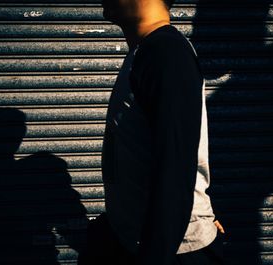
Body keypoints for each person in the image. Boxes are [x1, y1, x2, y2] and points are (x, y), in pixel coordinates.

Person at [79, 0, 225, 264]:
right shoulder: (147, 50)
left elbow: (176, 166)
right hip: (143, 240)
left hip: (173, 250)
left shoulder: (165, 52)